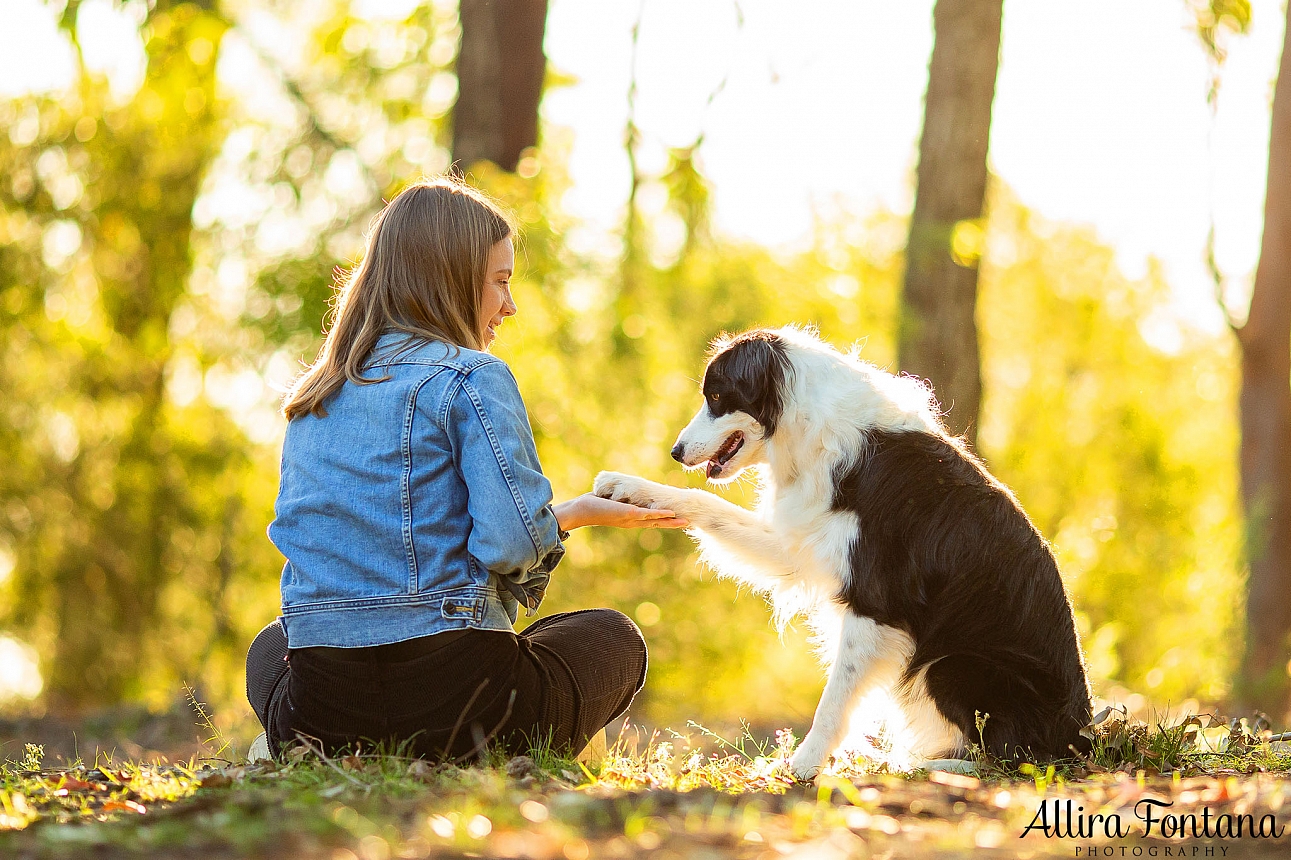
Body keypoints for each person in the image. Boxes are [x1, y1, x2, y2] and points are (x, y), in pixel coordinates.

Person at [244, 176, 687, 762]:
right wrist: (570, 518)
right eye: (500, 281)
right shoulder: (473, 378)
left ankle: (307, 749)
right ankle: (509, 758)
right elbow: (508, 543)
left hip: (326, 709)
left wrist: (572, 512)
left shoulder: (314, 396)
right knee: (613, 638)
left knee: (270, 646)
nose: (510, 304)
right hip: (460, 708)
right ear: (449, 280)